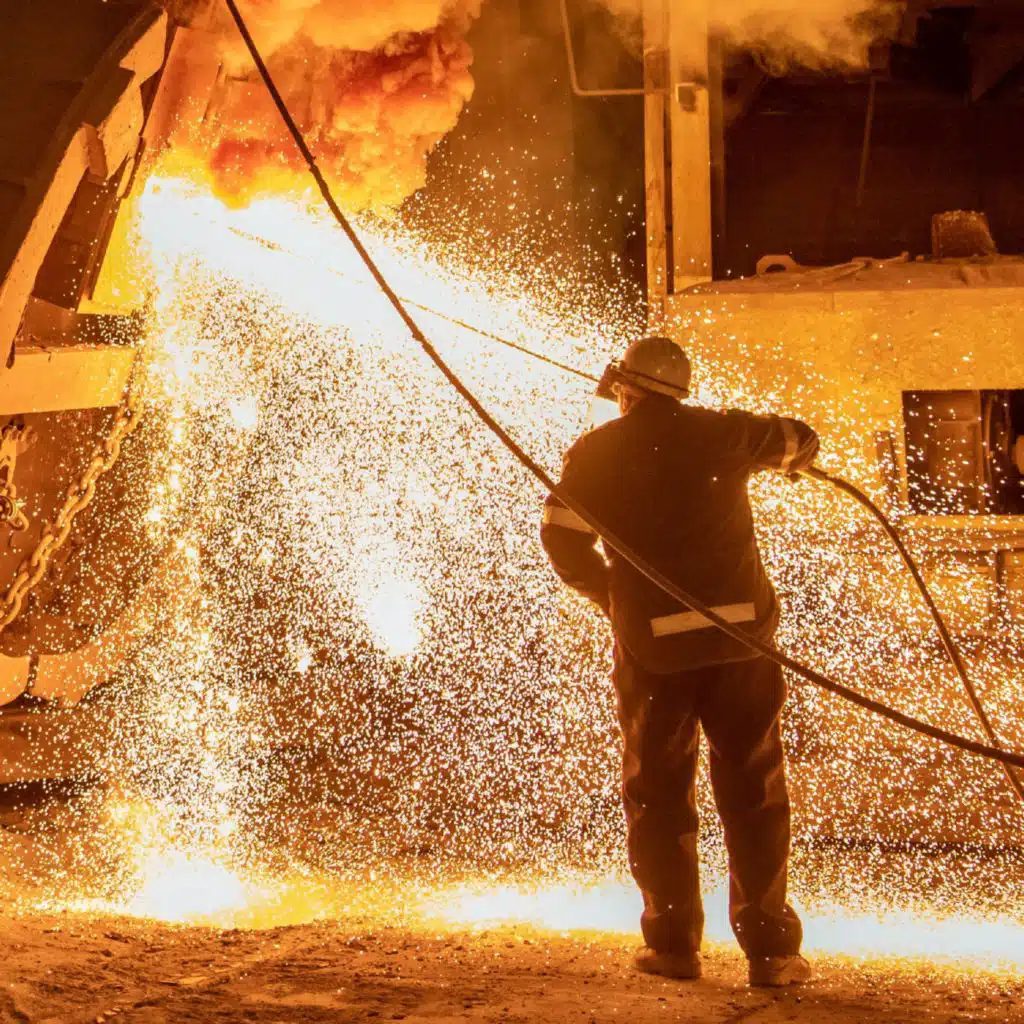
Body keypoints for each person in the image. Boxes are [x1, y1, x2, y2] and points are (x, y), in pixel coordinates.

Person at [540, 335, 819, 987]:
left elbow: (561, 537)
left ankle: (672, 945)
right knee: (753, 790)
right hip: (741, 644)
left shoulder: (596, 453)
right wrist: (784, 452)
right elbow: (798, 437)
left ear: (625, 391)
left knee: (659, 792)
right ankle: (773, 953)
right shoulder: (726, 434)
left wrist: (612, 597)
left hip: (655, 650)